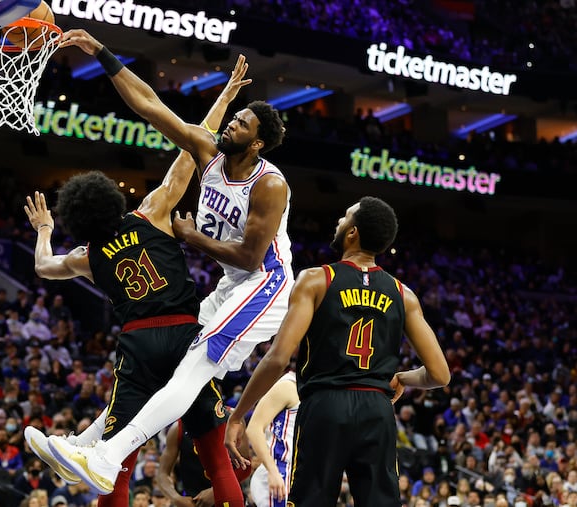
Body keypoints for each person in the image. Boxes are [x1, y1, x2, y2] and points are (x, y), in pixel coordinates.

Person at [51, 29, 292, 500]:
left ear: (258, 143)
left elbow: (250, 256)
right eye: (235, 118)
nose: (232, 126)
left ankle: (108, 452)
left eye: (242, 124)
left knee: (192, 369)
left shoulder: (270, 185)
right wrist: (101, 53)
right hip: (230, 285)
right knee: (181, 366)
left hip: (265, 283)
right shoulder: (208, 152)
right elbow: (148, 105)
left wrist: (190, 236)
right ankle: (87, 443)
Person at [224, 196, 451, 507]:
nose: (338, 221)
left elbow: (278, 357)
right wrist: (402, 377)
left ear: (352, 232)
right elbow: (439, 374)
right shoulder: (404, 294)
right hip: (377, 409)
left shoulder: (317, 279)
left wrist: (238, 415)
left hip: (325, 405)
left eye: (344, 217)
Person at [156, 415, 251, 507]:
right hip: (194, 501)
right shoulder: (178, 428)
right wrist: (176, 498)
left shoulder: (232, 418)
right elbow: (162, 473)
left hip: (229, 495)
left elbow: (245, 467)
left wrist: (216, 491)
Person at [244, 371, 298, 507]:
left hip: (302, 474)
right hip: (280, 473)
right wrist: (272, 471)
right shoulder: (289, 386)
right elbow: (254, 428)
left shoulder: (319, 389)